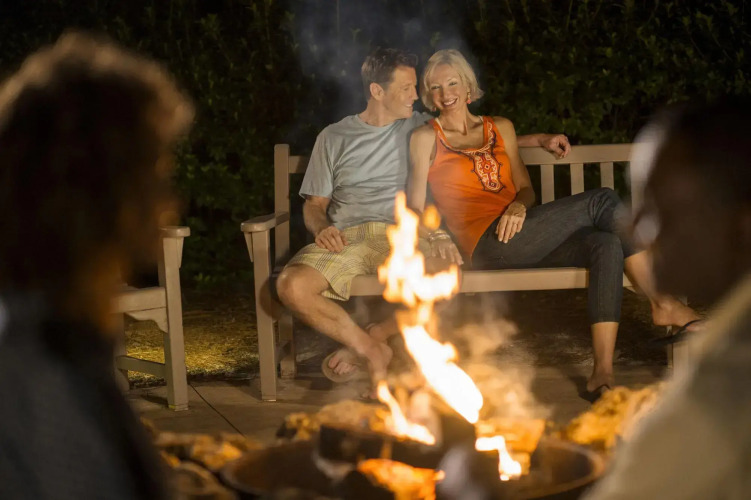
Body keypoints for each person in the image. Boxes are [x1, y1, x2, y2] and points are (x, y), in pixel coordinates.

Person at [407, 49, 700, 399]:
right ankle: (662, 302)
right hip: (485, 244)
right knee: (602, 200)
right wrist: (437, 235)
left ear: (468, 85)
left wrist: (518, 205)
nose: (445, 93)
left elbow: (526, 189)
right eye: (436, 87)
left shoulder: (500, 128)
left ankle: (601, 375)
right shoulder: (426, 137)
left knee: (605, 244)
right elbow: (413, 206)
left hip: (524, 234)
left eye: (452, 83)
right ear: (429, 95)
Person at [276, 47, 571, 385]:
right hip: (348, 237)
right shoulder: (333, 137)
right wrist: (322, 228)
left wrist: (540, 139)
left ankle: (377, 337)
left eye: (415, 87)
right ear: (377, 91)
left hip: (408, 233)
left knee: (448, 275)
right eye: (406, 88)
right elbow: (314, 204)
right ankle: (370, 349)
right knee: (292, 285)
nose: (416, 96)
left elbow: (475, 139)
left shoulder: (419, 128)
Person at [0, 33, 194, 499]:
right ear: (108, 193)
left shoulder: (59, 327)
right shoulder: (42, 382)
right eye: (156, 175)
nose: (170, 203)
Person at [583, 99, 751, 499]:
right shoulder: (729, 335)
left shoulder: (730, 378)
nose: (632, 225)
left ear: (741, 221)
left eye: (661, 206)